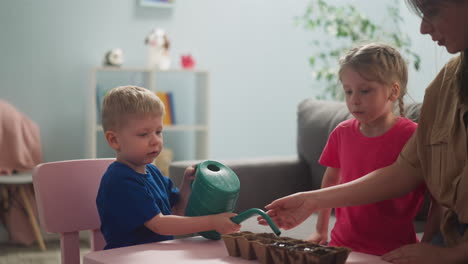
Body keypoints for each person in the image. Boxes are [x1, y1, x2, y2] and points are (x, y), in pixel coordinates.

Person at [261, 1, 468, 263]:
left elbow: (432, 194)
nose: (423, 28)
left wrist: (452, 255)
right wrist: (311, 201)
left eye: (432, 12)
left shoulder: (407, 128)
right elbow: (404, 171)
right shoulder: (446, 85)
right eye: (348, 91)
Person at [307, 43, 427, 256]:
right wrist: (320, 230)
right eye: (348, 91)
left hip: (394, 251)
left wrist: (428, 245)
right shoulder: (341, 133)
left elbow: (436, 194)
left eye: (365, 90)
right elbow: (330, 182)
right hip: (342, 246)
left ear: (393, 91)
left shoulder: (413, 136)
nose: (354, 100)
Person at [96, 86, 240, 249]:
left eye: (158, 132)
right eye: (144, 134)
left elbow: (177, 211)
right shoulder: (120, 180)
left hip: (157, 254)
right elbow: (160, 224)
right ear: (114, 140)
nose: (155, 140)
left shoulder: (153, 172)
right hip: (125, 258)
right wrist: (211, 222)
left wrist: (187, 184)